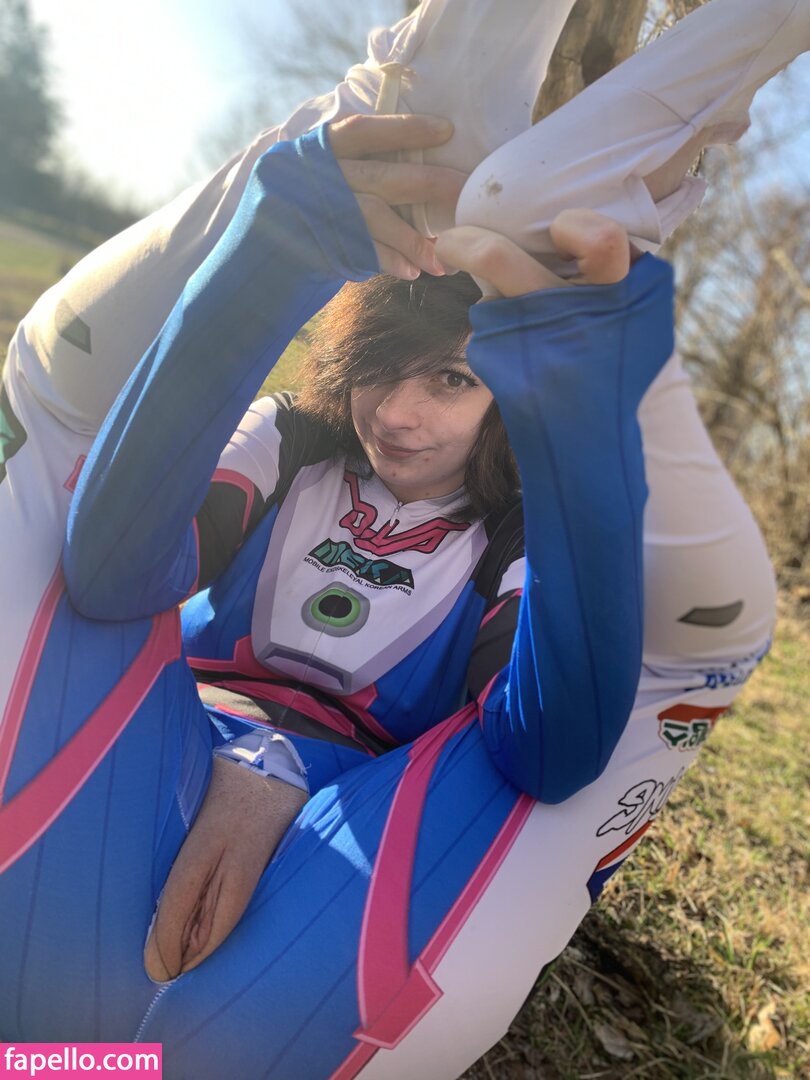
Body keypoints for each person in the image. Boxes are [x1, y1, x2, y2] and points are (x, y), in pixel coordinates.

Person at [0, 109, 774, 1079]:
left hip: (361, 804)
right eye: (381, 369)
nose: (399, 415)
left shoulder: (517, 531)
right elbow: (113, 572)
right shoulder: (292, 439)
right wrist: (275, 247)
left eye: (451, 378)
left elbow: (546, 751)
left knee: (155, 1044)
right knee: (40, 1017)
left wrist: (585, 430)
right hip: (162, 734)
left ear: (514, 396)